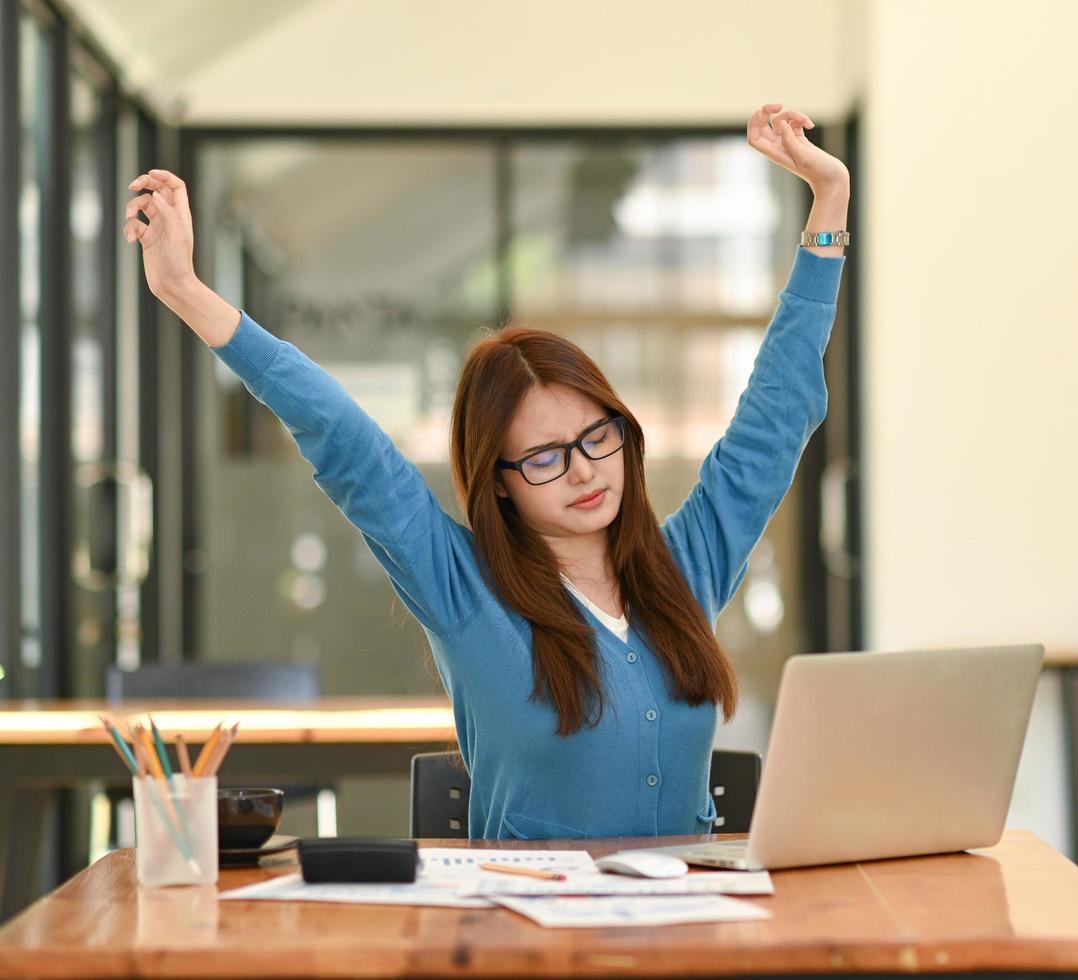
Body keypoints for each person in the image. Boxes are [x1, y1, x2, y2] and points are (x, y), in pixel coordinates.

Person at [123, 103, 849, 840]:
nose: (583, 471)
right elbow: (344, 439)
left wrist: (827, 204)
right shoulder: (463, 586)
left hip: (689, 932)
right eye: (544, 457)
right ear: (497, 478)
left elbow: (775, 416)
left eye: (596, 436)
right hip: (530, 938)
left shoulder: (684, 567)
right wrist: (186, 290)